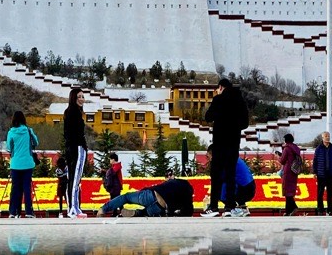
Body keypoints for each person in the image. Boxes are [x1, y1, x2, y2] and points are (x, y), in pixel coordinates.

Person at [203, 78, 249, 217]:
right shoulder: (240, 101)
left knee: (216, 176)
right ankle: (229, 207)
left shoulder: (218, 100)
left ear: (221, 87)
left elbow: (208, 117)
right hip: (233, 144)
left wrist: (220, 119)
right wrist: (234, 128)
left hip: (219, 143)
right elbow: (245, 123)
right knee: (230, 175)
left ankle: (214, 207)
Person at [99, 177, 196, 217]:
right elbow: (188, 212)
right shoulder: (186, 196)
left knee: (127, 197)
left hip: (152, 195)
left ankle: (103, 209)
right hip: (159, 207)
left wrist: (144, 190)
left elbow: (161, 186)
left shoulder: (177, 182)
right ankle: (137, 213)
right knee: (145, 213)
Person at [5, 111, 39, 218]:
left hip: (15, 164)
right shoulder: (28, 131)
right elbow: (36, 143)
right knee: (26, 188)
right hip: (28, 164)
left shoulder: (11, 132)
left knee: (15, 188)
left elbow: (9, 148)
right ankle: (28, 211)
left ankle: (13, 212)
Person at [61, 87, 88, 218]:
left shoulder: (69, 112)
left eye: (83, 96)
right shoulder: (74, 113)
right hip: (77, 148)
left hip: (70, 148)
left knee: (72, 178)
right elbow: (74, 134)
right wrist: (81, 145)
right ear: (74, 98)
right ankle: (73, 208)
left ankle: (73, 207)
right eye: (79, 97)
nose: (82, 99)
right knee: (75, 178)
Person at [313, 131, 332, 216]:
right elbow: (315, 161)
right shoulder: (318, 149)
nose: (327, 138)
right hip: (321, 174)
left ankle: (329, 209)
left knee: (330, 193)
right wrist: (314, 172)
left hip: (330, 173)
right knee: (320, 192)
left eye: (328, 136)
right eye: (326, 136)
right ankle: (320, 209)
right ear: (322, 138)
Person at [278, 133, 303, 216]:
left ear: (286, 140)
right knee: (290, 191)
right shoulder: (296, 148)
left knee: (286, 191)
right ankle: (289, 211)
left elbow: (282, 161)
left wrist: (278, 156)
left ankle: (293, 207)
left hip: (287, 171)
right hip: (294, 171)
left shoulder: (286, 148)